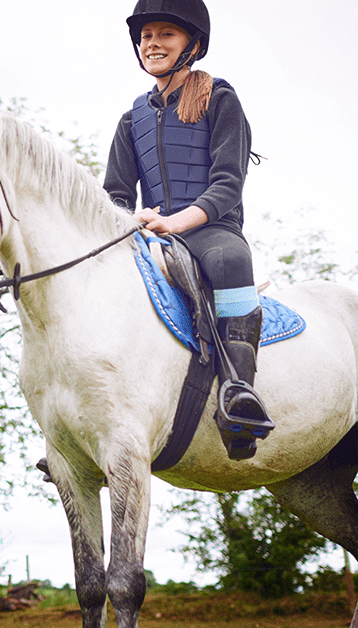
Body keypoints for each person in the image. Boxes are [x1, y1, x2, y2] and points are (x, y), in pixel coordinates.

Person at [103, 0, 273, 454]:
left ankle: (240, 394)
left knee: (233, 259)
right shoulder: (130, 119)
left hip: (210, 230)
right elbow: (116, 193)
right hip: (150, 232)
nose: (152, 44)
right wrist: (129, 220)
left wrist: (174, 222)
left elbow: (227, 185)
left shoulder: (220, 99)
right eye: (145, 37)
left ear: (191, 44)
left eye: (165, 35)